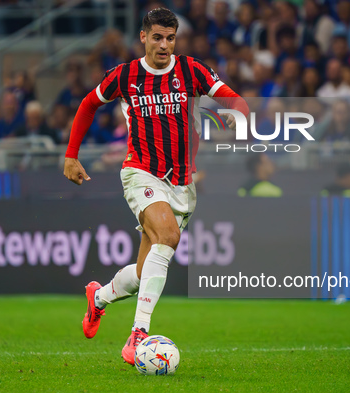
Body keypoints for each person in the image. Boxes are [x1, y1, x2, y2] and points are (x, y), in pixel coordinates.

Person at [63, 8, 248, 366]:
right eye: (158, 37)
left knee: (144, 269)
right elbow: (88, 105)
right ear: (144, 37)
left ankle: (98, 298)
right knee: (167, 235)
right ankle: (139, 334)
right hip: (141, 172)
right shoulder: (126, 75)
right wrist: (71, 156)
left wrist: (236, 116)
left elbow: (234, 99)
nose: (165, 45)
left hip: (182, 183)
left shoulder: (191, 70)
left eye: (171, 38)